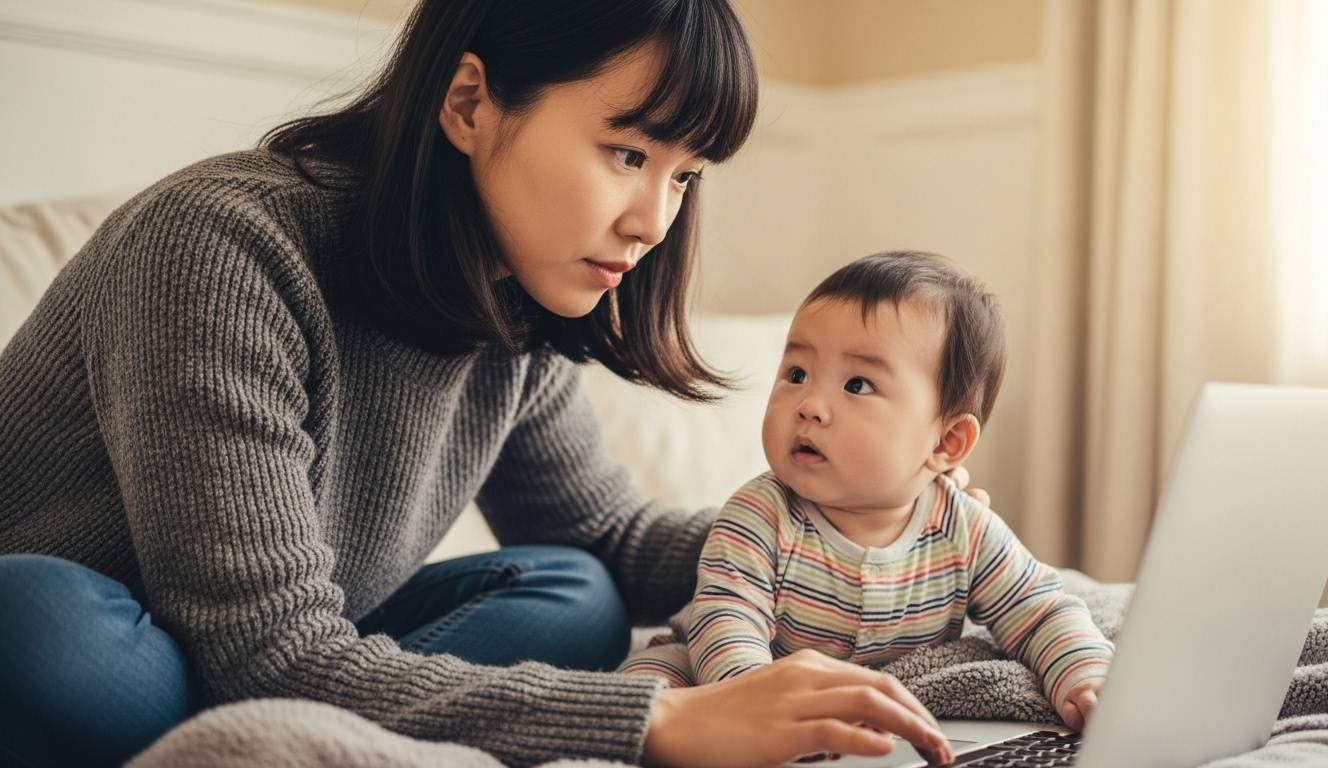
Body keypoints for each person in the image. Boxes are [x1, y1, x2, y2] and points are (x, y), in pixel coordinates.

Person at [0, 2, 987, 767]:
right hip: (109, 646)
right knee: (35, 626)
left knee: (575, 592)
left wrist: (886, 541)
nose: (653, 219)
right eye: (628, 152)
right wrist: (660, 718)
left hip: (285, 653)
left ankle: (331, 720)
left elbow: (606, 536)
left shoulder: (516, 298)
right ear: (469, 104)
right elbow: (268, 647)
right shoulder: (221, 248)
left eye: (683, 175)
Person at [621, 252, 1115, 740]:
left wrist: (1084, 674)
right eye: (796, 374)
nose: (810, 405)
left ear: (946, 443)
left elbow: (1039, 609)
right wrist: (751, 696)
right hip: (719, 662)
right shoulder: (761, 515)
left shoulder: (964, 528)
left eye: (857, 384)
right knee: (655, 682)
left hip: (883, 697)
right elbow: (726, 617)